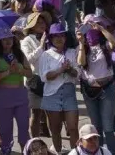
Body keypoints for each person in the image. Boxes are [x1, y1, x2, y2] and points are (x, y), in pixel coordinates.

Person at [76, 21, 115, 155]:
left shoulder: (105, 46)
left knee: (108, 127)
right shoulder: (82, 47)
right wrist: (81, 43)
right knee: (96, 127)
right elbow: (81, 62)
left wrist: (102, 29)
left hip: (107, 89)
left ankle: (111, 153)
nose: (91, 32)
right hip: (89, 91)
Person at [38, 24, 80, 153]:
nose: (59, 38)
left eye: (62, 35)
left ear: (66, 37)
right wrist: (60, 70)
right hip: (52, 94)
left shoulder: (72, 52)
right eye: (55, 36)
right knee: (55, 129)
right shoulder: (46, 55)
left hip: (69, 93)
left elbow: (77, 74)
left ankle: (75, 152)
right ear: (50, 38)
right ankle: (58, 152)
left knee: (73, 127)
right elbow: (44, 77)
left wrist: (69, 69)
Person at [0, 34, 32, 155]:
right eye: (4, 39)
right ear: (0, 41)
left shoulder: (19, 54)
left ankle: (26, 151)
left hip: (20, 94)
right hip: (3, 95)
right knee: (5, 130)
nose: (8, 41)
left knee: (24, 128)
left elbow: (30, 73)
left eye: (10, 38)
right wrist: (7, 72)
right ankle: (6, 150)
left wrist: (20, 70)